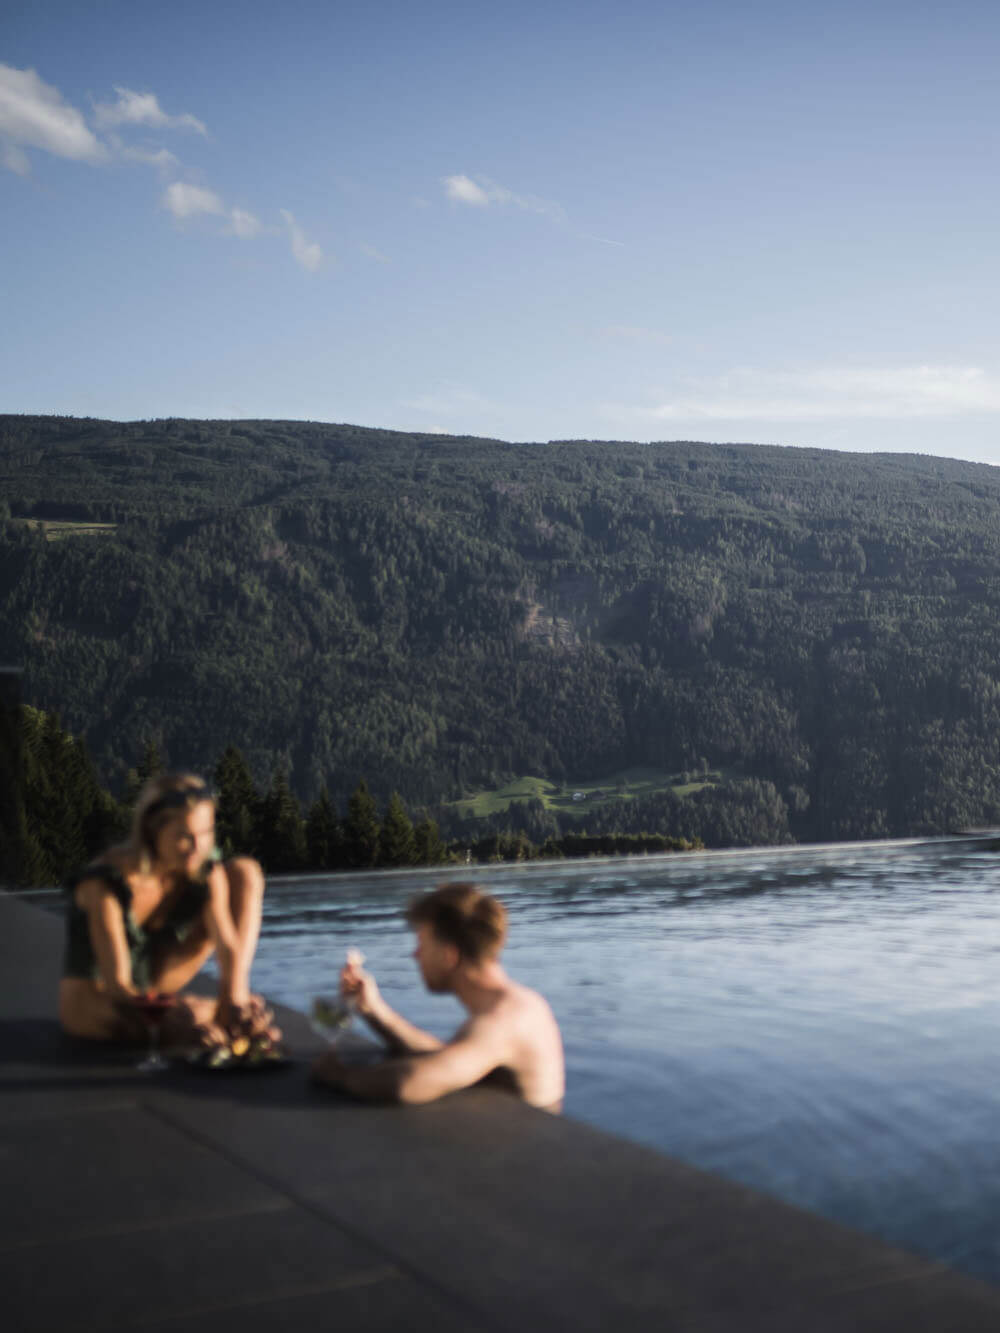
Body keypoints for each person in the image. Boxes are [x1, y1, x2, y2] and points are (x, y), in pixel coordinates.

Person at [58, 772, 279, 1046]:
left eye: (206, 833)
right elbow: (118, 985)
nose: (197, 848)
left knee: (245, 872)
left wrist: (235, 1000)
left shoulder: (203, 868)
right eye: (184, 837)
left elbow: (227, 947)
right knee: (178, 1023)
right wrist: (176, 1019)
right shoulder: (105, 883)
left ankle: (225, 1010)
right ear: (152, 832)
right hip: (99, 998)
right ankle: (194, 1017)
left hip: (152, 981)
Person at [312, 882, 564, 1110]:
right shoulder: (519, 1005)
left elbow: (408, 1082)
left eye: (422, 943)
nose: (416, 955)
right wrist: (374, 1010)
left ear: (449, 956)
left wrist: (340, 1076)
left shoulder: (501, 1022)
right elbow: (446, 1057)